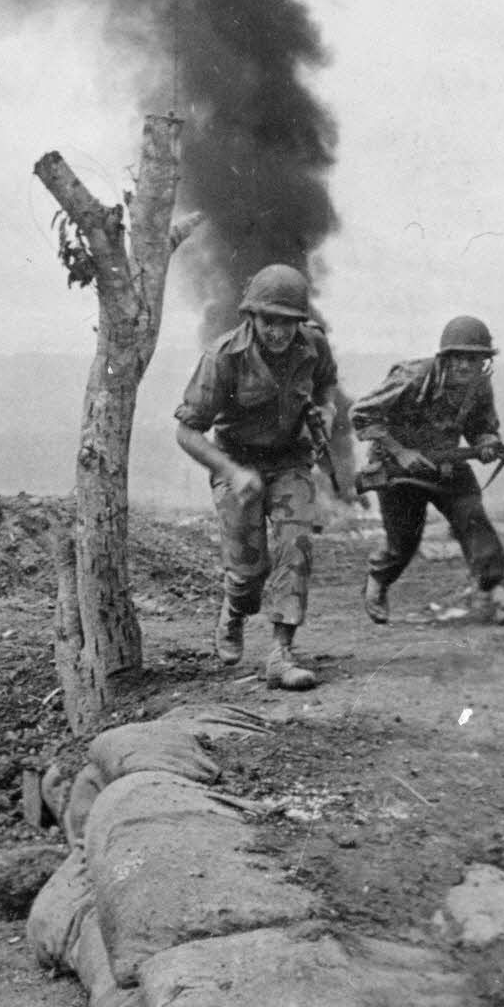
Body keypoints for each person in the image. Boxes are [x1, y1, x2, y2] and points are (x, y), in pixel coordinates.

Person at [175, 264, 340, 690]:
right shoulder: (224, 357)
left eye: (288, 323)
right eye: (270, 321)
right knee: (249, 571)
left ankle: (281, 654)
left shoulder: (314, 345)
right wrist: (231, 472)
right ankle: (234, 611)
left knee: (295, 545)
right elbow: (187, 431)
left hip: (290, 461)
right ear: (252, 316)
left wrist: (325, 412)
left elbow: (326, 387)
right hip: (237, 461)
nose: (279, 332)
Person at [349, 315, 504, 626]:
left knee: (471, 514)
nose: (465, 366)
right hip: (398, 467)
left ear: (484, 362)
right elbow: (361, 413)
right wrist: (401, 451)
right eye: (458, 357)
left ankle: (502, 590)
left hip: (446, 464)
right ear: (445, 358)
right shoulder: (413, 376)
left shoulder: (479, 386)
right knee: (404, 541)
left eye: (473, 358)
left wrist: (488, 442)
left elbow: (482, 427)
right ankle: (378, 580)